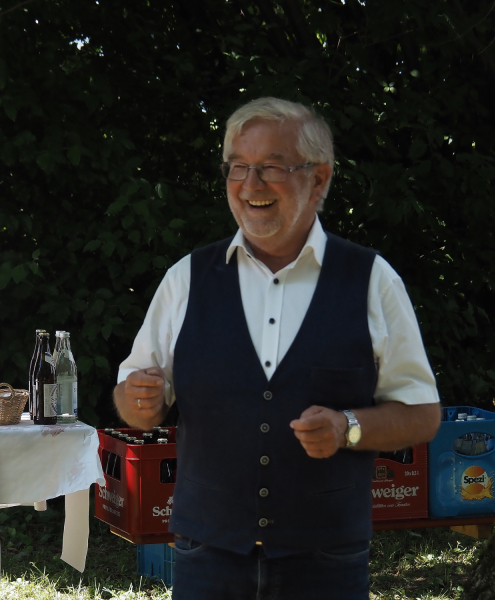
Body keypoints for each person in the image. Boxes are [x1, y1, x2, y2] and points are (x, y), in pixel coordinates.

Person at [113, 97, 442, 600]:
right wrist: (138, 400)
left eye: (271, 167)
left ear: (319, 179)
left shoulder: (371, 281)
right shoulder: (187, 279)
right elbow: (131, 397)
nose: (251, 185)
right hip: (207, 555)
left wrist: (348, 427)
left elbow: (422, 414)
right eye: (238, 167)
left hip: (326, 559)